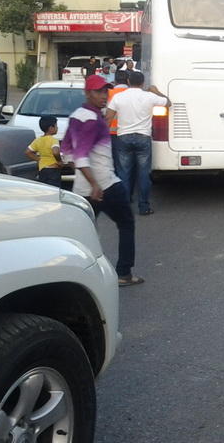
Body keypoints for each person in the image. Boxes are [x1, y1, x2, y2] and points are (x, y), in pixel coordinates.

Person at [61, 74, 144, 287]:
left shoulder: (77, 115)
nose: (103, 96)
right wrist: (95, 182)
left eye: (105, 91)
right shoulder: (92, 120)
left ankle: (80, 276)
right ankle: (123, 273)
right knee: (126, 223)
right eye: (98, 92)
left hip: (82, 188)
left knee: (84, 233)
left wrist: (84, 175)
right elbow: (80, 155)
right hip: (105, 185)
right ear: (87, 93)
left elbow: (67, 152)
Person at [105, 72, 171, 216]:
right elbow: (168, 103)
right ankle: (144, 206)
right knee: (143, 174)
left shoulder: (118, 97)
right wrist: (155, 90)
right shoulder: (149, 96)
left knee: (123, 173)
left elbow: (108, 117)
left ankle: (124, 205)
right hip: (143, 138)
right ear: (143, 82)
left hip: (123, 137)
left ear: (128, 81)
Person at [25, 115, 63, 187]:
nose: (57, 128)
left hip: (42, 170)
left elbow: (28, 152)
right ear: (51, 128)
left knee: (45, 188)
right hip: (53, 170)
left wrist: (39, 160)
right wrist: (59, 161)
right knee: (54, 189)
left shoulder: (38, 140)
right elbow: (55, 152)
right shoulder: (53, 140)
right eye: (56, 126)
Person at [107, 70, 130, 175]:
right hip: (129, 132)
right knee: (127, 164)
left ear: (115, 80)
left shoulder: (108, 93)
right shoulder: (132, 93)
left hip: (112, 134)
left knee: (115, 163)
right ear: (128, 81)